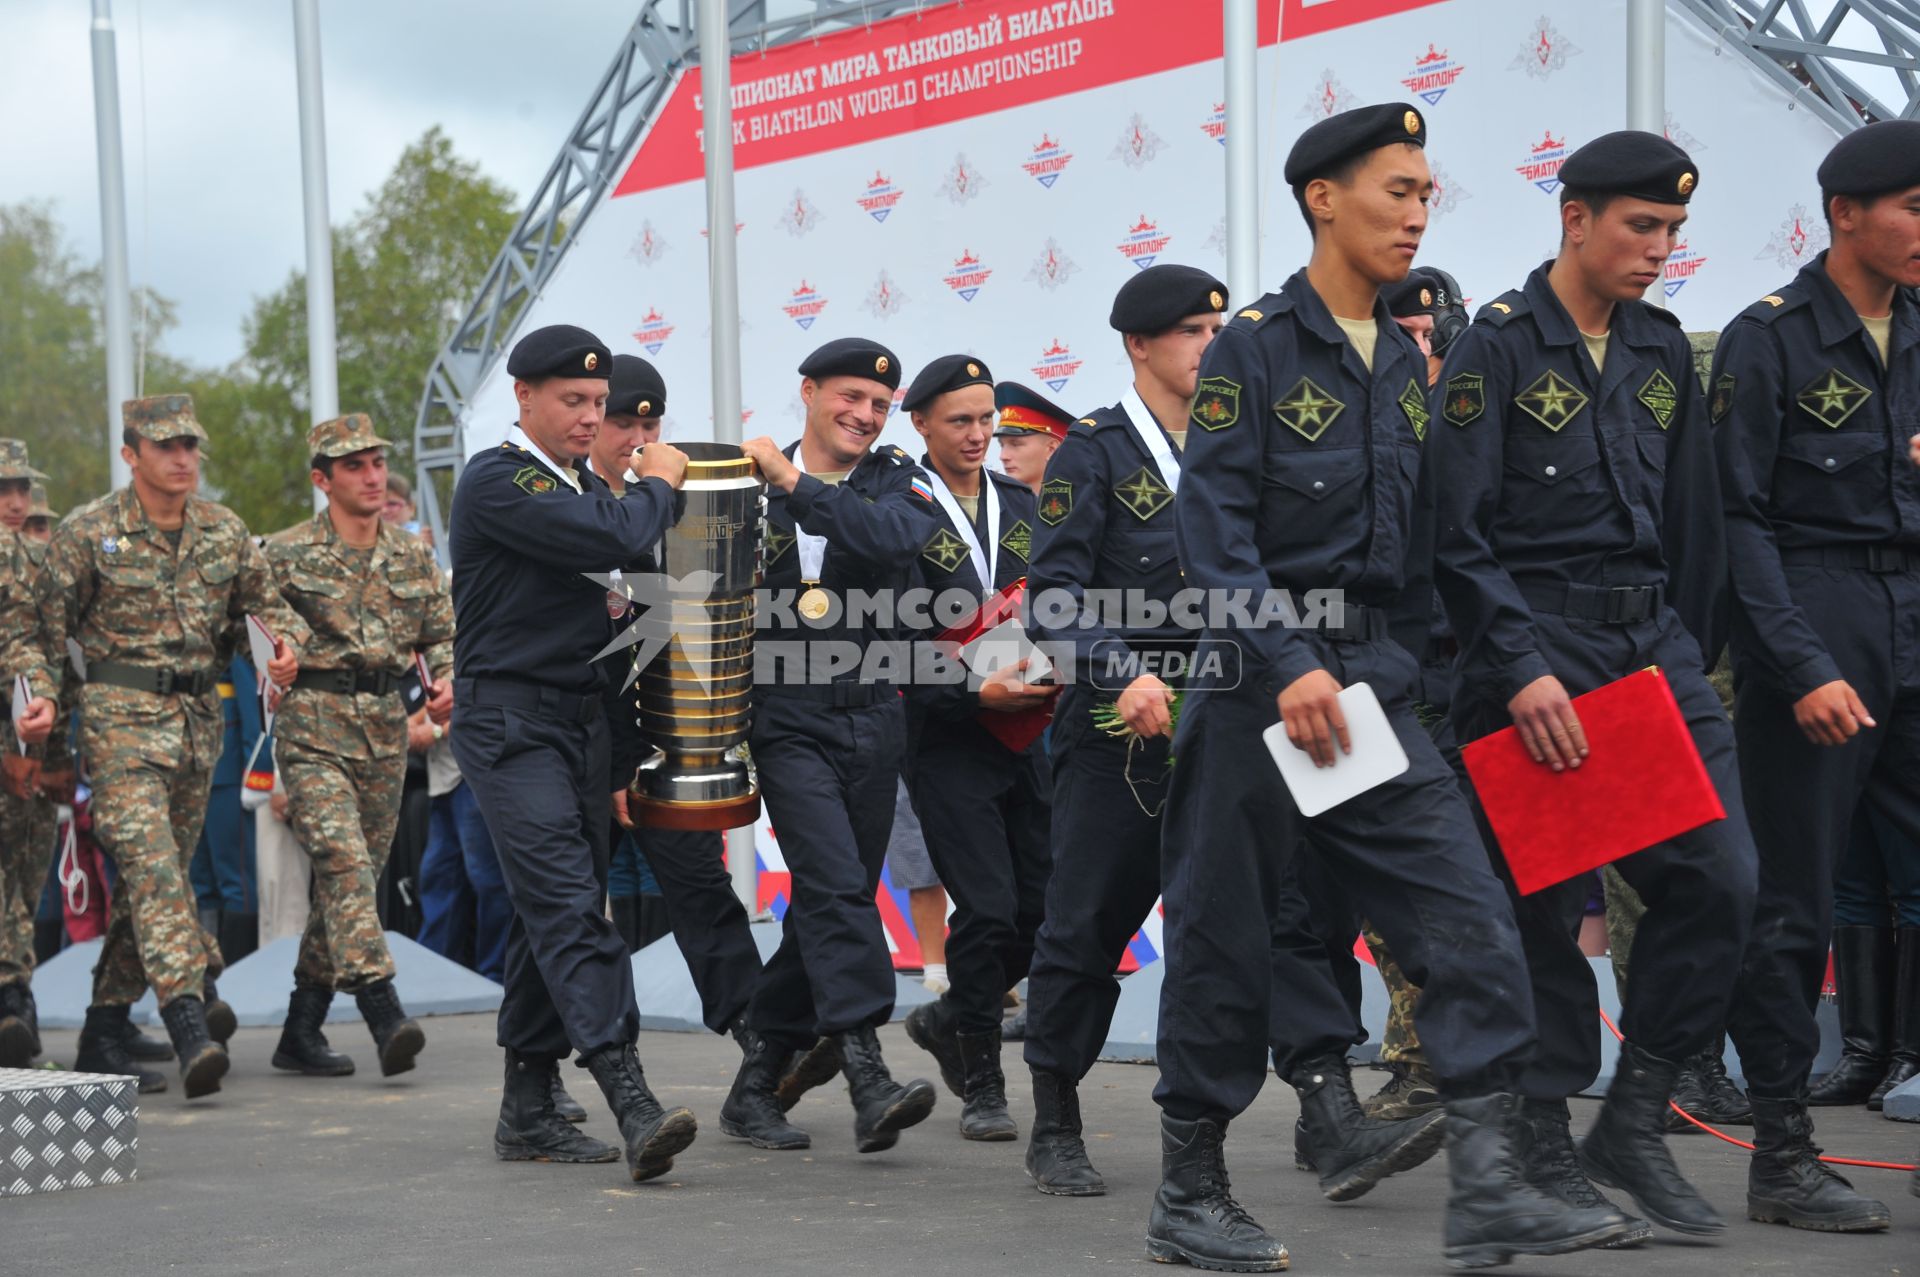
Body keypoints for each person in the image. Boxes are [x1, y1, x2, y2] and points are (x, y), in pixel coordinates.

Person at [1150, 104, 1634, 1270]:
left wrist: (1503, 666)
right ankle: (1189, 1190)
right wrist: (1288, 661)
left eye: (1427, 196)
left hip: (1371, 693)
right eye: (1395, 191)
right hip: (1259, 688)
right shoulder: (1255, 349)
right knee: (1224, 934)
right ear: (1323, 198)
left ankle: (1491, 1188)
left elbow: (1444, 547)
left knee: (1470, 919)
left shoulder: (1416, 365)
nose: (1418, 215)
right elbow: (1211, 539)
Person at [1431, 130, 1759, 1242]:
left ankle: (1632, 1113)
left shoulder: (1665, 351)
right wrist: (1517, 665)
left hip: (1647, 645)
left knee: (1722, 878)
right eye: (1641, 226)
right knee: (1548, 907)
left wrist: (1682, 649)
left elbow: (1695, 525)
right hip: (1539, 651)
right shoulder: (1499, 349)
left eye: (1672, 231)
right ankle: (1537, 1137)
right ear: (1575, 219)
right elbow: (1458, 535)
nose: (1661, 248)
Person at [1709, 120, 1920, 1232]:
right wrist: (1796, 663)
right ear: (1847, 213)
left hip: (1917, 611)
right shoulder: (1770, 340)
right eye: (1917, 208)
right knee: (1793, 903)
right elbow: (1736, 522)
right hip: (1819, 619)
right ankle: (1783, 1153)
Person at [448, 323, 697, 1181]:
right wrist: (660, 486)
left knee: (541, 910)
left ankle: (526, 1102)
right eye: (575, 401)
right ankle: (630, 1094)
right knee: (565, 902)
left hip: (579, 724)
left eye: (600, 403)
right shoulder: (499, 479)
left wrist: (629, 751)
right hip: (509, 721)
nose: (593, 416)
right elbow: (611, 538)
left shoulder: (580, 486)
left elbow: (627, 618)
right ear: (524, 398)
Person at [40, 395, 304, 1098]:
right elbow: (43, 636)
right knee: (156, 872)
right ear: (131, 455)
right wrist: (41, 715)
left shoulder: (224, 530)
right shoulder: (89, 531)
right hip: (118, 720)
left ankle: (102, 1028)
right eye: (165, 447)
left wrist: (285, 650)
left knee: (147, 887)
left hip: (195, 726)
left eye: (190, 445)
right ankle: (190, 1018)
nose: (183, 458)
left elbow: (267, 605)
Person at [716, 337, 941, 1156]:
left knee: (824, 905)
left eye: (879, 405)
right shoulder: (742, 486)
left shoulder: (898, 479)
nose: (865, 415)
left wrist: (795, 482)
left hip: (876, 711)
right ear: (808, 391)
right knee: (836, 885)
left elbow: (891, 543)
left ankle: (753, 1088)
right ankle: (866, 1071)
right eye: (849, 397)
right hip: (785, 715)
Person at [892, 355, 1056, 1142]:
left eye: (987, 419)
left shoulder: (1023, 502)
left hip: (1031, 730)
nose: (979, 434)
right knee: (987, 908)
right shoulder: (899, 509)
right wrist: (969, 689)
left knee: (1044, 905)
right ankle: (984, 1080)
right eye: (960, 420)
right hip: (949, 738)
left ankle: (951, 1015)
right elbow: (883, 642)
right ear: (919, 422)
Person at [263, 414, 455, 1080]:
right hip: (313, 722)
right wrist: (276, 661)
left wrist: (449, 682)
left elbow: (442, 634)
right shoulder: (284, 553)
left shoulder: (411, 554)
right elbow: (252, 631)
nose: (373, 476)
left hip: (384, 726)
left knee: (353, 883)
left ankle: (301, 1027)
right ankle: (384, 1009)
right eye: (355, 466)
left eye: (377, 463)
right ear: (323, 479)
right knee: (343, 862)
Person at [589, 354, 764, 1053]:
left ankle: (763, 1054)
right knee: (559, 912)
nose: (636, 433)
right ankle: (533, 1078)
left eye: (649, 420)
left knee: (704, 893)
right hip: (583, 739)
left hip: (668, 738)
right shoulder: (571, 504)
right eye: (620, 419)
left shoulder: (683, 506)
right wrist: (612, 763)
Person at [0, 439, 59, 1068]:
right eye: (4, 491)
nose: (16, 503)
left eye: (25, 490)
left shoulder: (40, 567)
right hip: (10, 746)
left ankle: (19, 1005)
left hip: (35, 746)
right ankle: (12, 1002)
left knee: (25, 882)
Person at [187, 653, 265, 964]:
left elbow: (249, 700)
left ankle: (238, 969)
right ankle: (209, 971)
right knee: (200, 881)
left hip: (228, 769)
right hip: (190, 770)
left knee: (237, 881)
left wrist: (257, 771)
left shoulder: (226, 627)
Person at [991, 383, 1069, 494]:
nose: (1003, 456)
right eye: (1002, 445)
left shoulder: (1083, 507)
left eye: (1015, 444)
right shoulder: (994, 508)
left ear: (1051, 449)